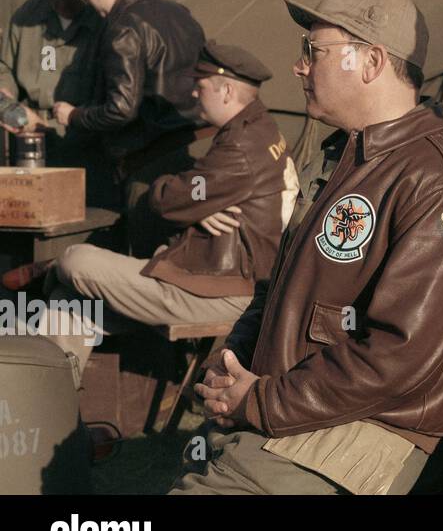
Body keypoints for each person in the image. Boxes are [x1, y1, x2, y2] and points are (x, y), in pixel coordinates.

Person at [174, 0, 443, 495]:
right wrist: (233, 365)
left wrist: (260, 400)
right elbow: (277, 290)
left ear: (370, 63)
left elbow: (400, 356)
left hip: (366, 427)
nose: (298, 66)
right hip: (291, 408)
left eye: (314, 51)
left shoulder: (440, 184)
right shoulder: (340, 159)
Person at [33, 42, 297, 382]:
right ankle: (49, 410)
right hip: (207, 275)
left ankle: (47, 275)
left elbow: (167, 200)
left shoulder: (240, 147)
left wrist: (185, 199)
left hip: (220, 289)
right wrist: (199, 206)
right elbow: (191, 196)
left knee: (74, 260)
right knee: (68, 301)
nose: (193, 93)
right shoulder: (260, 128)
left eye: (200, 86)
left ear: (227, 91)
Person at [56, 0, 207, 254]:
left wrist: (73, 115)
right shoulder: (178, 11)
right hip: (196, 148)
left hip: (151, 162)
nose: (84, 1)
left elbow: (120, 109)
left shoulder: (122, 27)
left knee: (144, 257)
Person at [0, 0, 105, 183]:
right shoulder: (28, 15)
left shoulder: (102, 20)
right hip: (31, 136)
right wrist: (6, 99)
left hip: (86, 139)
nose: (60, 2)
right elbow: (4, 67)